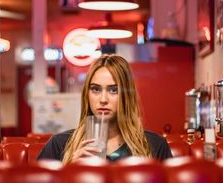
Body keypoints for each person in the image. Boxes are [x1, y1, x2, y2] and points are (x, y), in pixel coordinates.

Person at [37, 54, 172, 163]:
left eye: (113, 90)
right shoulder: (59, 144)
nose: (103, 99)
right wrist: (70, 171)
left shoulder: (155, 145)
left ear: (126, 96)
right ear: (87, 95)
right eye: (95, 89)